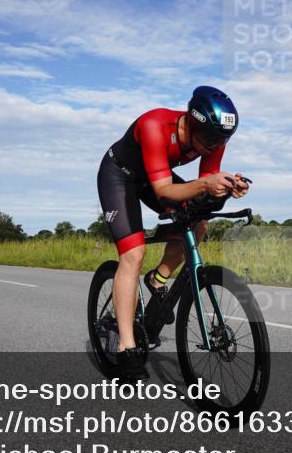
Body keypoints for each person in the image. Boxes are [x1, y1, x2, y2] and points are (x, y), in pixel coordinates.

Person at [98, 86, 250, 380]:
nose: (213, 146)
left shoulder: (214, 137)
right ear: (191, 123)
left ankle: (158, 278)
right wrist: (207, 185)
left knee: (199, 223)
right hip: (120, 177)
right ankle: (126, 348)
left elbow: (204, 191)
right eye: (208, 139)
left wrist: (227, 188)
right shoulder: (155, 125)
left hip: (157, 175)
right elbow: (164, 191)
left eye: (220, 141)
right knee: (134, 253)